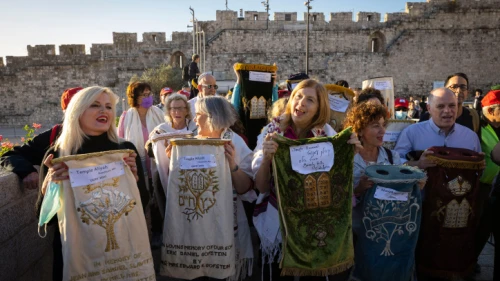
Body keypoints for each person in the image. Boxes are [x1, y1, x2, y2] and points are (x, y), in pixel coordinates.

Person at [252, 79, 362, 281]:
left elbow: (335, 183)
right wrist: (267, 158)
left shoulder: (328, 137)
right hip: (279, 225)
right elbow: (260, 187)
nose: (301, 103)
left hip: (313, 227)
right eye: (298, 97)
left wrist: (348, 153)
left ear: (320, 108)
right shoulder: (272, 133)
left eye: (310, 100)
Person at [35, 86, 145, 281]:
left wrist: (134, 182)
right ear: (77, 111)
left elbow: (142, 205)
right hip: (78, 256)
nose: (104, 111)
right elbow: (45, 220)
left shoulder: (125, 150)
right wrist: (49, 187)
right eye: (95, 105)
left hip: (122, 253)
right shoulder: (59, 156)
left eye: (109, 107)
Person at [165, 95, 256, 280]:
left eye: (199, 114)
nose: (195, 119)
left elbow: (245, 187)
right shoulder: (191, 142)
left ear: (212, 116)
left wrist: (232, 165)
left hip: (226, 223)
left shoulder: (234, 142)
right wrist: (172, 160)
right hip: (196, 224)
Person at [0, 87, 82, 190]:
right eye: (78, 108)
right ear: (67, 112)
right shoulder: (54, 135)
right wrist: (27, 171)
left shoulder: (104, 135)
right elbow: (10, 156)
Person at [117, 81, 165, 247]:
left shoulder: (158, 113)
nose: (148, 98)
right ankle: (142, 235)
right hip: (138, 166)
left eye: (149, 94)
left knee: (158, 198)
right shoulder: (126, 117)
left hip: (157, 164)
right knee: (142, 198)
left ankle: (158, 232)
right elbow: (121, 141)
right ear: (135, 98)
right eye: (144, 95)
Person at [394, 87, 481, 169]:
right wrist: (417, 164)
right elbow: (396, 161)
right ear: (429, 108)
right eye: (440, 106)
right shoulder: (411, 133)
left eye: (452, 105)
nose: (447, 110)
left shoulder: (470, 137)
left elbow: (479, 168)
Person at [474, 89, 500, 274]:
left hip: (496, 189)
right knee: (479, 232)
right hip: (482, 190)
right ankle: (469, 263)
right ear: (491, 111)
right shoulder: (478, 129)